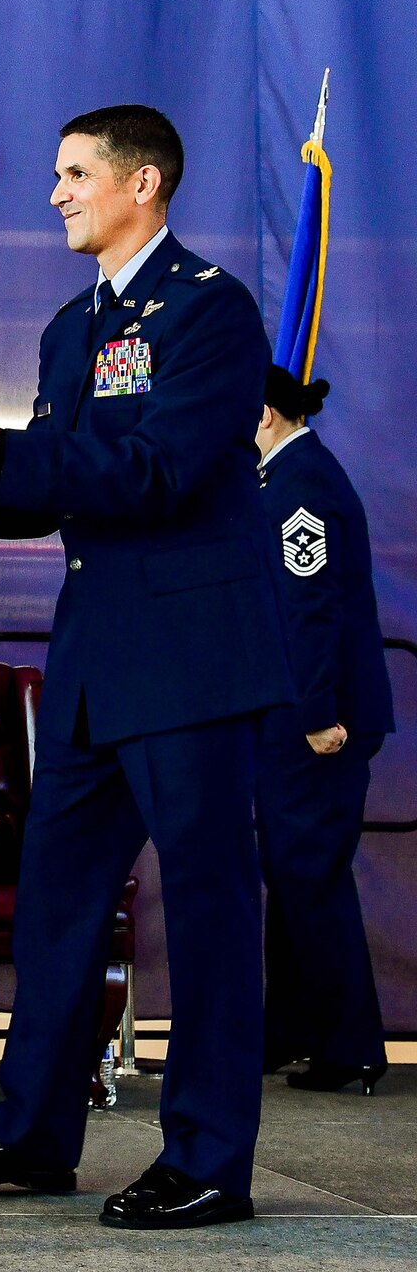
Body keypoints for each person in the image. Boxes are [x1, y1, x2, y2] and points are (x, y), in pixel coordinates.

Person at [0, 105, 292, 1230]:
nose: (54, 191)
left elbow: (154, 472)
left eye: (74, 173)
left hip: (192, 661)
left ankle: (204, 1158)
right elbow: (61, 486)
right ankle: (29, 1133)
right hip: (94, 659)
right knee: (53, 905)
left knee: (203, 913)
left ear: (141, 184)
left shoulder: (209, 312)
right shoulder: (67, 329)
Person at [254, 365, 394, 1094]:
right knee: (293, 875)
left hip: (316, 719)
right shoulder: (286, 478)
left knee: (311, 876)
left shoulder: (302, 485)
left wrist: (314, 717)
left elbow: (310, 612)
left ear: (267, 414)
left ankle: (350, 1046)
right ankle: (293, 1032)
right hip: (295, 714)